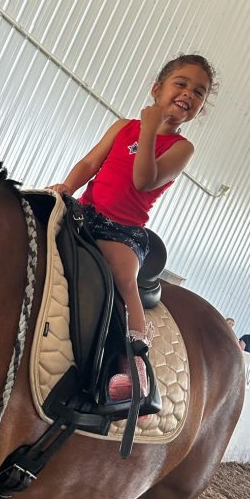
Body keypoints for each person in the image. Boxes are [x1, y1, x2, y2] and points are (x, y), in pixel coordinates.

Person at [49, 54, 216, 408]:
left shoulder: (182, 148)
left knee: (123, 278)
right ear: (157, 89)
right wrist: (66, 187)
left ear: (200, 108)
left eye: (199, 92)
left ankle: (135, 365)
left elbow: (144, 180)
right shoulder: (123, 127)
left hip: (123, 230)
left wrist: (150, 129)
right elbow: (90, 162)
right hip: (86, 212)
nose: (189, 94)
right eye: (181, 84)